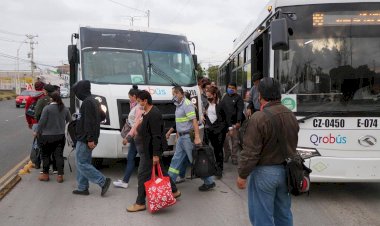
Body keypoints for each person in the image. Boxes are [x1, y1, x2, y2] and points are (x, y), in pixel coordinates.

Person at [236, 77, 299, 226]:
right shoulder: (290, 114)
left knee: (262, 217)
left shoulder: (258, 118)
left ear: (260, 95)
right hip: (287, 172)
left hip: (264, 173)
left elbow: (251, 152)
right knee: (283, 214)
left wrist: (242, 175)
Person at [127, 90, 181, 212]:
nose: (139, 104)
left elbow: (156, 136)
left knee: (142, 175)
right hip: (150, 149)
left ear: (145, 101)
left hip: (151, 151)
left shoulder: (154, 114)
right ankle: (174, 190)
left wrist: (155, 155)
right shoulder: (148, 112)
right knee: (161, 170)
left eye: (140, 101)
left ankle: (140, 203)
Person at [168, 86, 215, 191]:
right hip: (181, 137)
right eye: (173, 94)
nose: (173, 96)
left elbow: (194, 121)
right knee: (176, 160)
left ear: (181, 94)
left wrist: (197, 137)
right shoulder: (178, 105)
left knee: (195, 160)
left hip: (187, 138)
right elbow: (179, 122)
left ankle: (209, 182)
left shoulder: (187, 104)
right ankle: (170, 181)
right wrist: (177, 134)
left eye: (175, 94)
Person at [71, 80, 111, 196]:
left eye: (77, 91)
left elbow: (88, 122)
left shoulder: (87, 102)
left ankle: (103, 181)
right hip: (89, 136)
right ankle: (82, 187)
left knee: (81, 163)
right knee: (84, 162)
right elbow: (102, 116)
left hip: (85, 138)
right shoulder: (94, 100)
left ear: (81, 90)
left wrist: (90, 138)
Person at [36, 92, 71, 182]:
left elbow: (42, 122)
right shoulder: (64, 108)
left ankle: (45, 175)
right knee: (58, 156)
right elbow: (70, 121)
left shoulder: (47, 108)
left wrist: (37, 132)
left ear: (51, 99)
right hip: (60, 136)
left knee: (46, 155)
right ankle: (60, 176)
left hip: (47, 137)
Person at [113, 85, 141, 189]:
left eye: (130, 97)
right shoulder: (135, 106)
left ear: (134, 96)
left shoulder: (138, 108)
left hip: (137, 137)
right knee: (131, 158)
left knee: (143, 160)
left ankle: (142, 182)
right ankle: (125, 181)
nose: (129, 99)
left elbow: (136, 125)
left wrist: (128, 137)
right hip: (135, 137)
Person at [203, 86, 228, 178]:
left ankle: (219, 169)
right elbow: (207, 117)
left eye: (209, 96)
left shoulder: (221, 104)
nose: (208, 98)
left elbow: (226, 118)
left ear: (214, 95)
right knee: (212, 149)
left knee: (218, 150)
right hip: (210, 130)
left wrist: (227, 129)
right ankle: (214, 167)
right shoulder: (207, 105)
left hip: (220, 131)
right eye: (206, 96)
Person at [34, 84, 58, 173]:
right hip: (56, 128)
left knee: (44, 150)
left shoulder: (42, 100)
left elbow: (37, 114)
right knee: (55, 149)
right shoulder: (57, 99)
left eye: (44, 90)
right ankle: (55, 168)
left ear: (46, 91)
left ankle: (45, 170)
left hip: (44, 129)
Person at [220, 82, 244, 165]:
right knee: (224, 141)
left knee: (235, 142)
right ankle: (227, 153)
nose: (230, 89)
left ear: (235, 89)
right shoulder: (224, 96)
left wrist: (238, 121)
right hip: (225, 123)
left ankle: (234, 157)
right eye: (229, 87)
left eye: (232, 88)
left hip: (234, 123)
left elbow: (240, 110)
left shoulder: (238, 98)